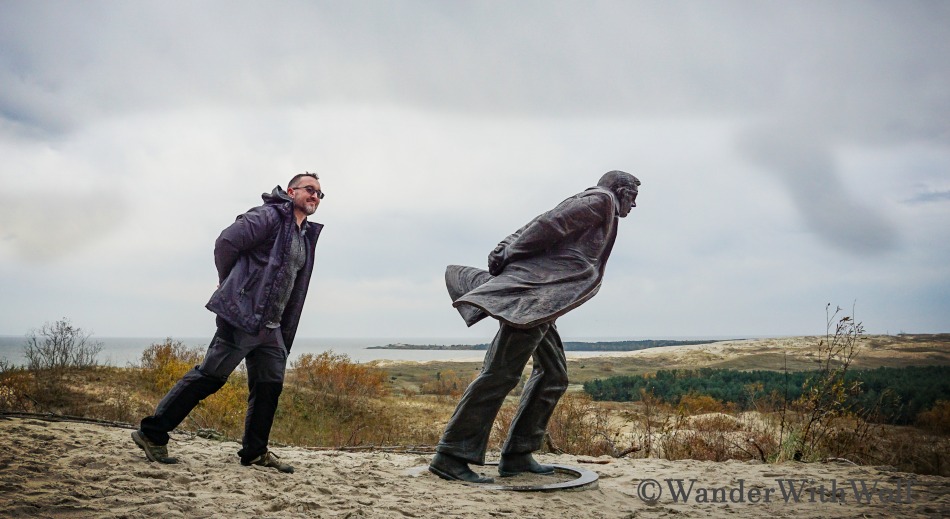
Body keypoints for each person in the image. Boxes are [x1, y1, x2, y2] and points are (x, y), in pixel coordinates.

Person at [429, 170, 640, 483]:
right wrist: (509, 251)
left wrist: (505, 248)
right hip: (532, 297)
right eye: (633, 197)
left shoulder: (599, 205)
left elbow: (542, 220)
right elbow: (548, 224)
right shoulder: (600, 199)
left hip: (545, 302)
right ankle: (451, 455)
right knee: (500, 373)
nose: (634, 205)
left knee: (553, 375)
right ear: (620, 189)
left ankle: (518, 454)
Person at [132, 172, 325, 474]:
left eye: (319, 194)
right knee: (210, 376)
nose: (314, 196)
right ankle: (152, 433)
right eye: (309, 190)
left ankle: (255, 452)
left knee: (269, 388)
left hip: (271, 327)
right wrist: (233, 286)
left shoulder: (303, 235)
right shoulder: (268, 216)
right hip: (243, 317)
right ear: (291, 191)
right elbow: (225, 242)